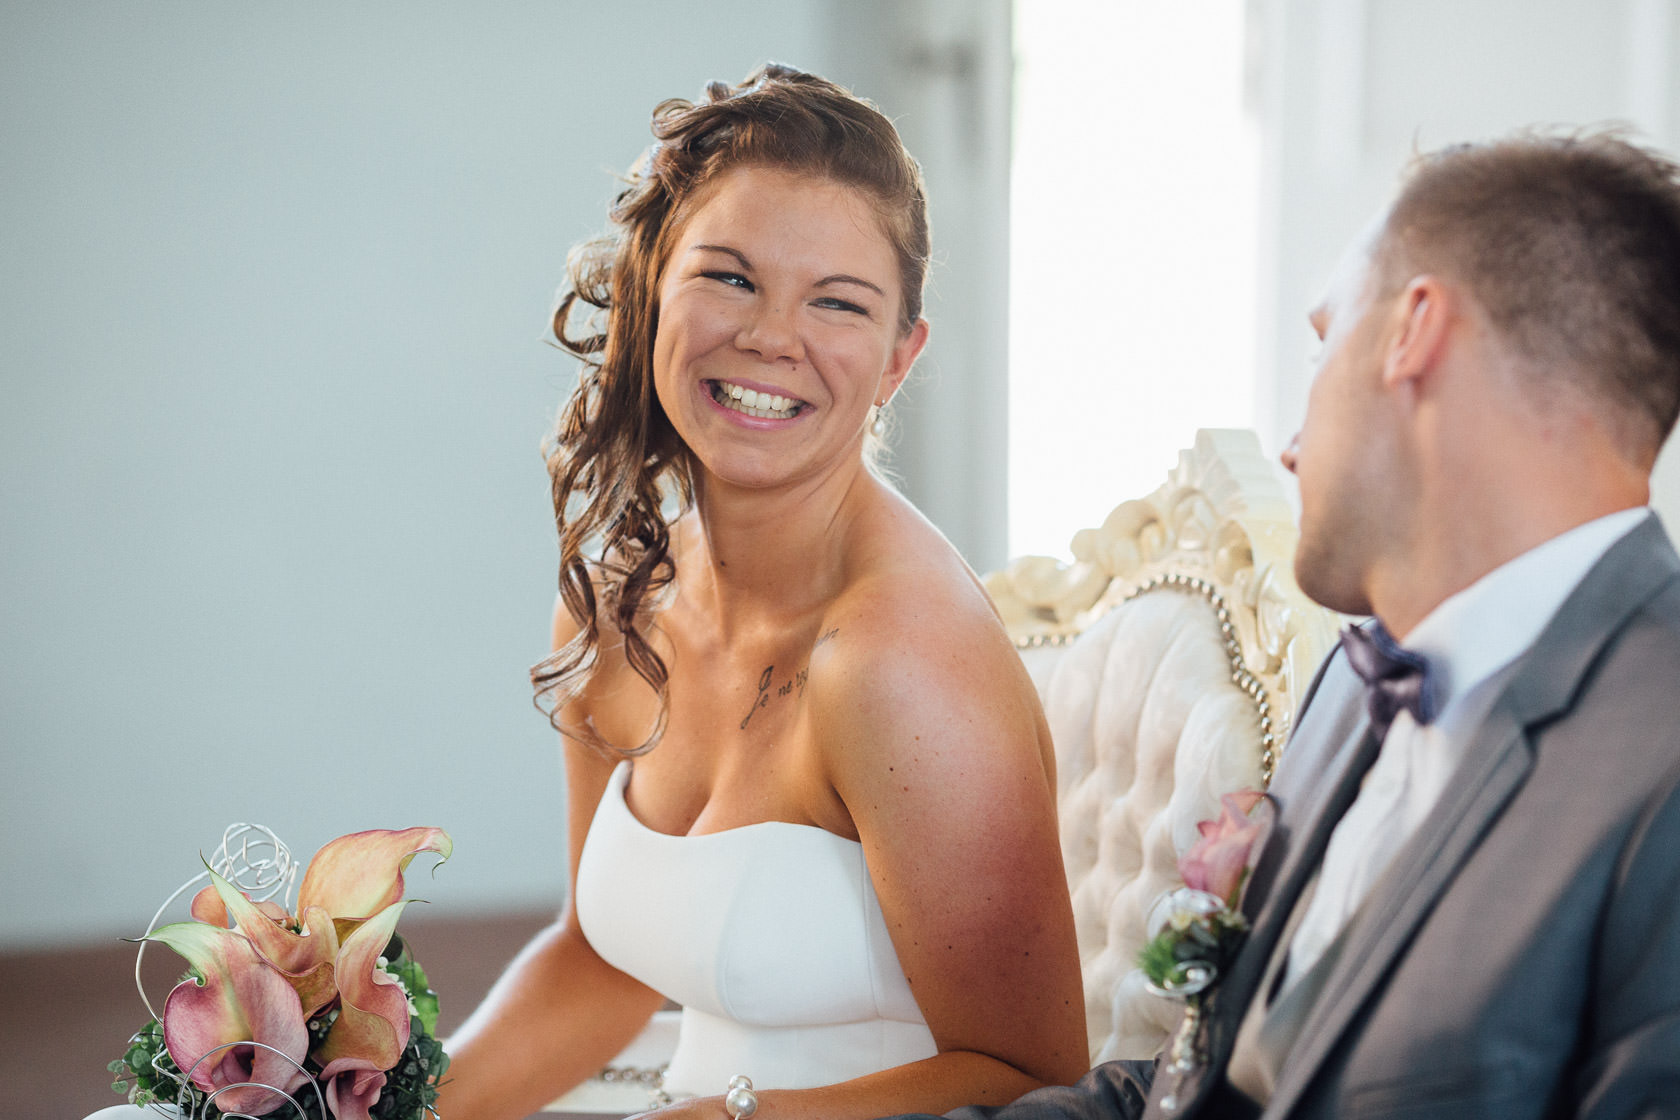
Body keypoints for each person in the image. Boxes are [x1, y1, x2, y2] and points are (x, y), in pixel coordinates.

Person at [883, 128, 1680, 1120]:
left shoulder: (1659, 759)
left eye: (1321, 340)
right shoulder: (1356, 687)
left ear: (1412, 331)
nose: (1291, 445)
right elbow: (1208, 1089)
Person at [439, 64, 1088, 1120]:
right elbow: (600, 963)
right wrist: (378, 1103)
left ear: (896, 360)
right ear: (653, 293)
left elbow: (1034, 1077)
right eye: (731, 278)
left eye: (837, 302)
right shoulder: (617, 605)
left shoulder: (897, 667)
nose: (772, 336)